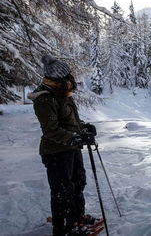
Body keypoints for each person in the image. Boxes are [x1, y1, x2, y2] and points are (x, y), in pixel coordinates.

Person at [28, 55, 98, 236]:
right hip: (55, 152)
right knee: (62, 191)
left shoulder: (63, 93)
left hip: (70, 148)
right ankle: (63, 229)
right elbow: (51, 130)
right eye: (68, 75)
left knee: (78, 182)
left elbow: (70, 121)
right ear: (58, 78)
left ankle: (76, 217)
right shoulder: (45, 99)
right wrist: (74, 138)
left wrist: (84, 128)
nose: (71, 78)